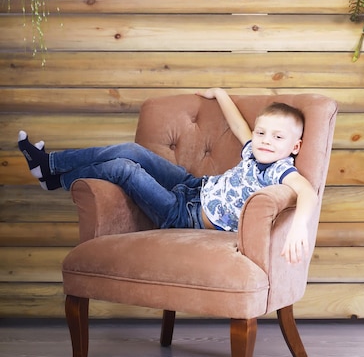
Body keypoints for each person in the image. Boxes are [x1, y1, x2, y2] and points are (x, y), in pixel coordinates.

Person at [18, 88, 317, 264]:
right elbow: (240, 127)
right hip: (193, 186)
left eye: (278, 137)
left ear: (295, 147)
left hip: (185, 215)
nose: (265, 140)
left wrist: (299, 227)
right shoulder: (254, 149)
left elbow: (307, 192)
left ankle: (57, 180)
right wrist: (221, 94)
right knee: (130, 150)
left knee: (124, 169)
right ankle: (50, 164)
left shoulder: (279, 170)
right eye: (262, 132)